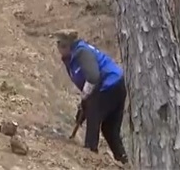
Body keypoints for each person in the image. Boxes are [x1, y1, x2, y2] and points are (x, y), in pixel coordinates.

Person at [54, 30, 127, 164]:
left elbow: (93, 77)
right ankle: (123, 161)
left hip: (110, 84)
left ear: (66, 45)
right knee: (109, 129)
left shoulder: (81, 52)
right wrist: (84, 103)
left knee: (94, 115)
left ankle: (90, 155)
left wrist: (85, 98)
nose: (58, 48)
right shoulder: (73, 55)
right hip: (116, 84)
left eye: (59, 44)